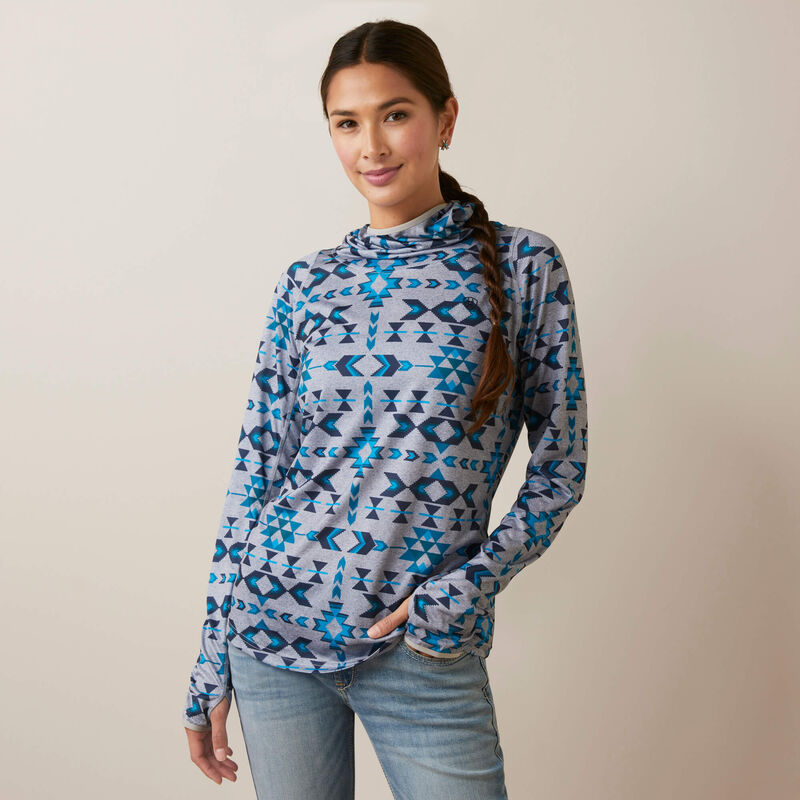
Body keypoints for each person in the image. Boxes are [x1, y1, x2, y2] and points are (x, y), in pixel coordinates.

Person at [182, 18, 588, 800]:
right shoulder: (307, 283)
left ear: (446, 117)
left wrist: (463, 589)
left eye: (395, 114)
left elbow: (561, 467)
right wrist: (210, 654)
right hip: (271, 634)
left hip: (420, 648)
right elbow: (256, 473)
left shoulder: (524, 266)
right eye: (347, 123)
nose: (371, 146)